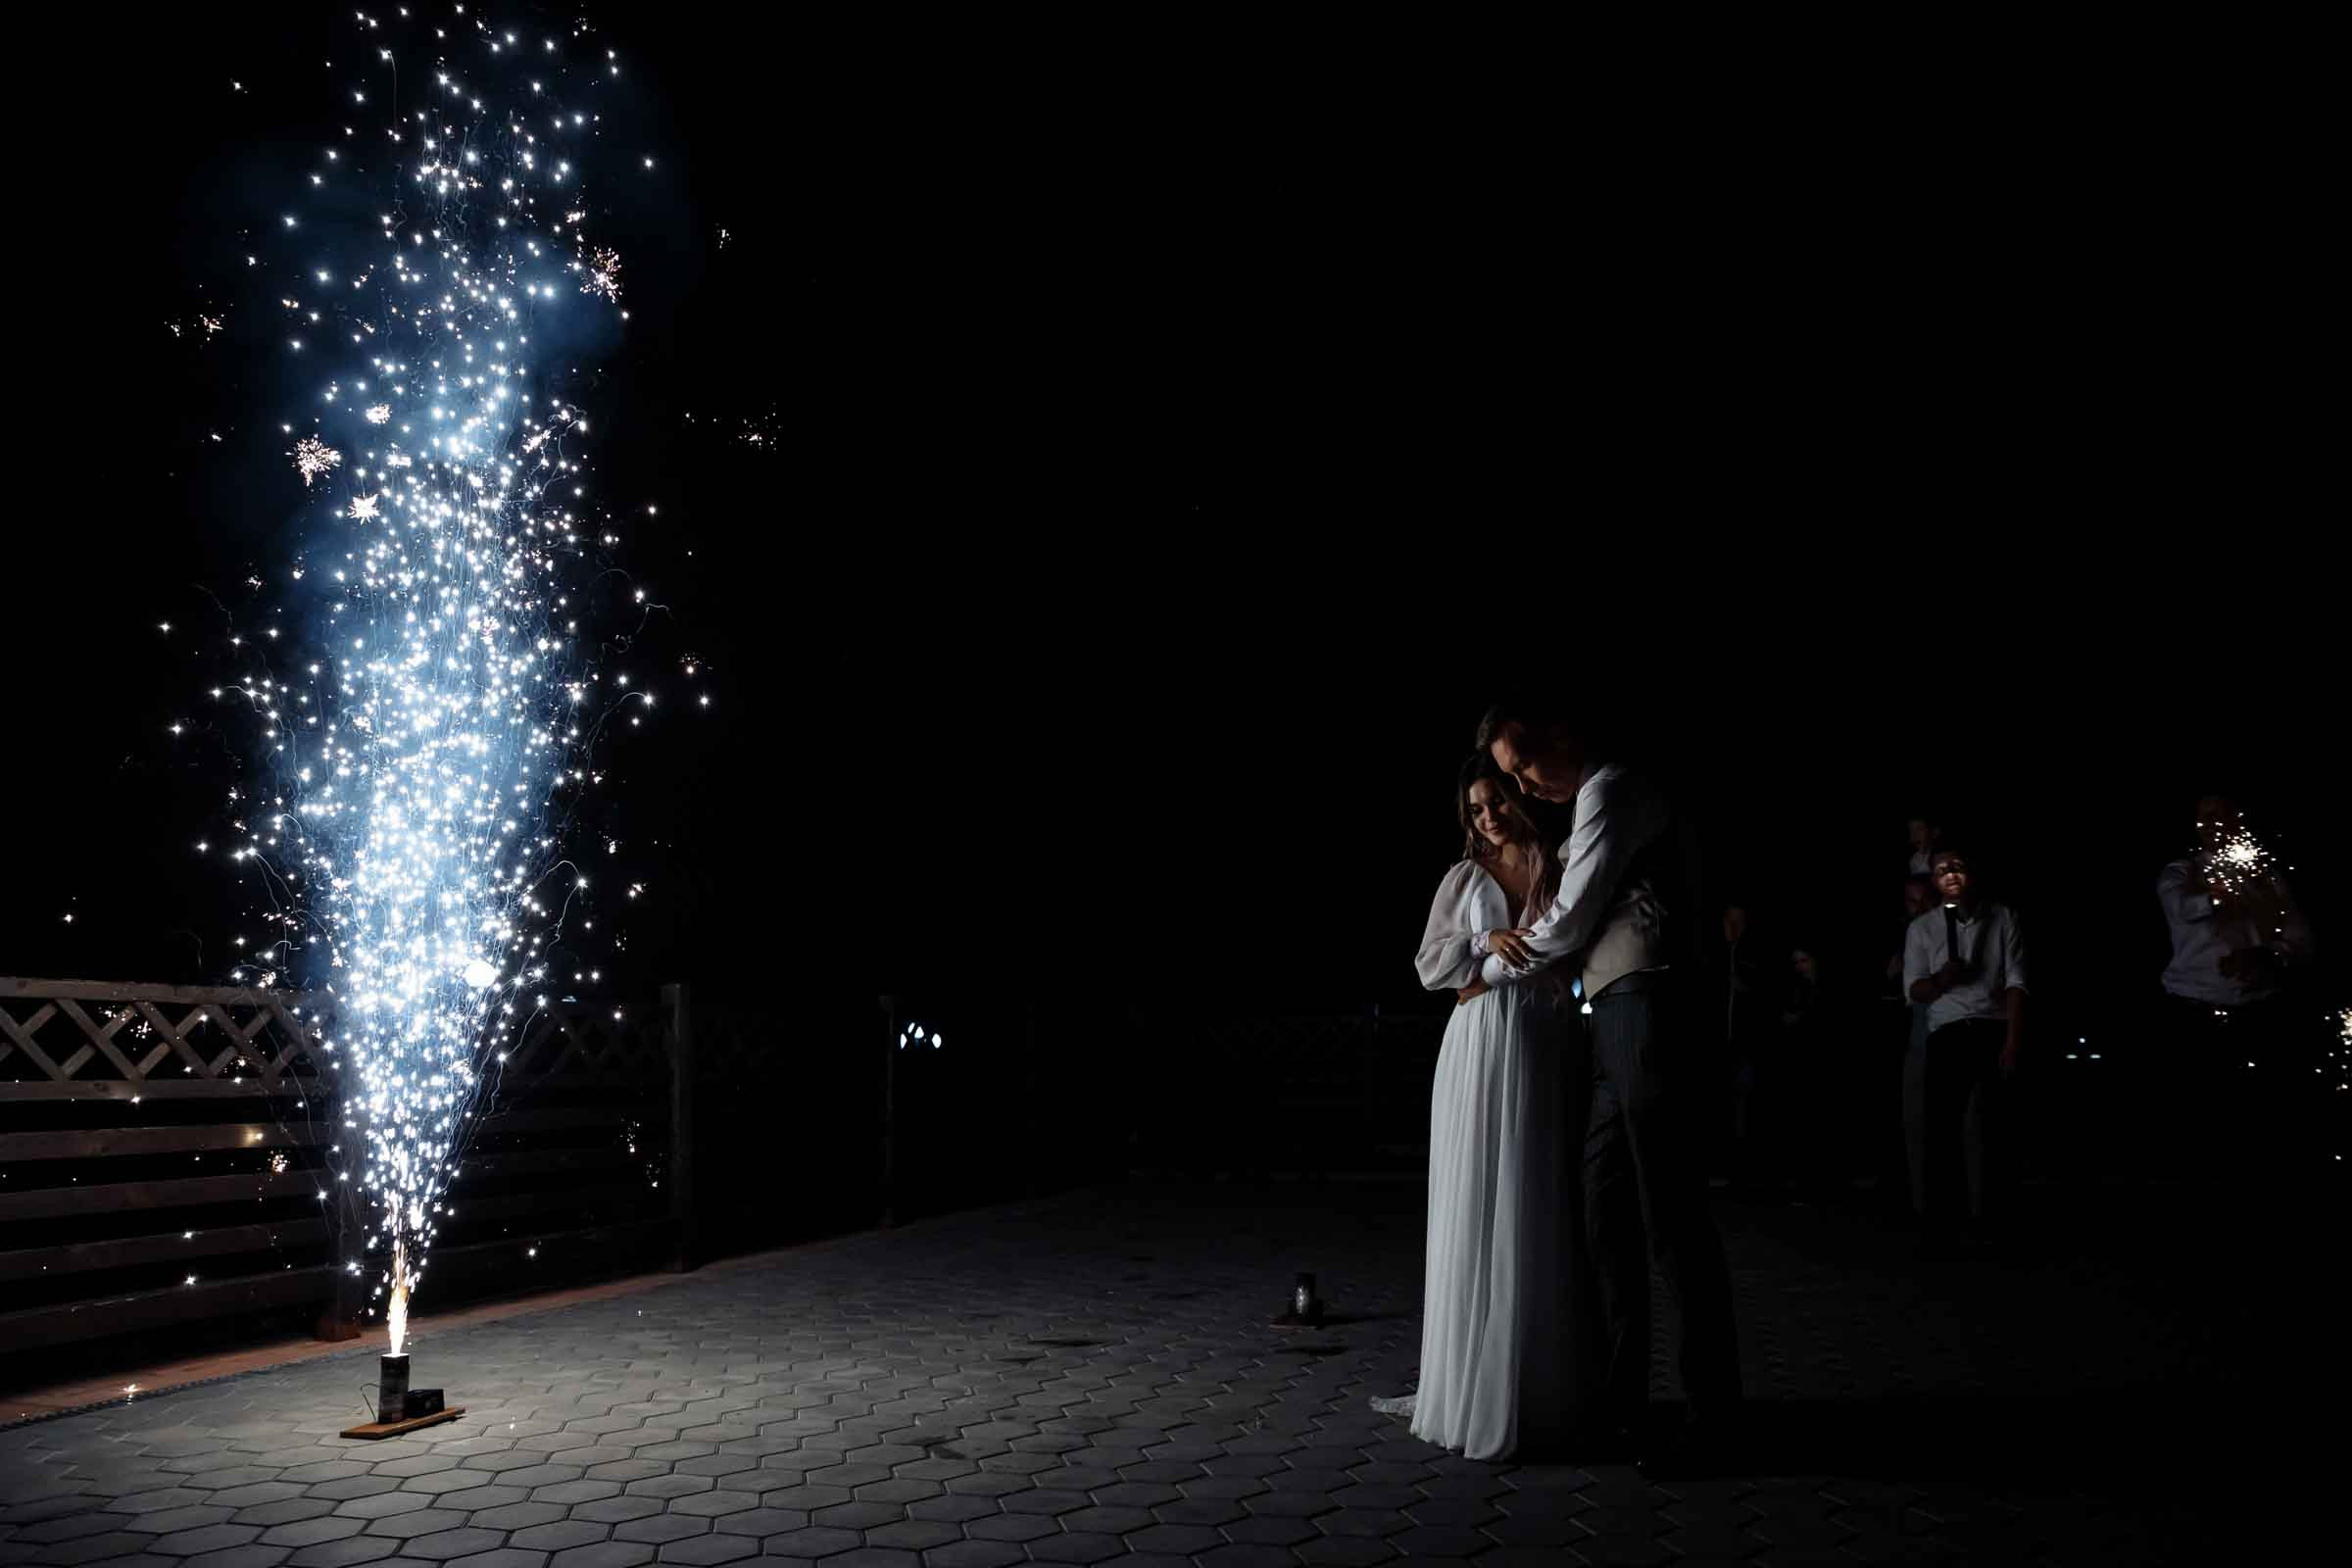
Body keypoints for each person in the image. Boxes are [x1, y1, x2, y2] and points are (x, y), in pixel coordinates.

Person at [1470, 702, 1742, 1475]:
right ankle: (1625, 1406)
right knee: (1604, 1207)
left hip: (1649, 1006)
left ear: (1559, 730)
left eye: (1525, 766)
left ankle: (1712, 1420)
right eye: (1512, 776)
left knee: (1670, 1218)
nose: (1525, 785)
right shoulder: (1586, 797)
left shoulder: (1610, 789)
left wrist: (1483, 971)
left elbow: (1568, 918)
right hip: (1614, 1011)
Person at [1401, 755, 1602, 1459]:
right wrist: (1485, 943)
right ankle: (1474, 1385)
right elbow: (1432, 965)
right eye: (1475, 809)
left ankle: (1540, 1383)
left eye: (1495, 803)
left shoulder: (1557, 862)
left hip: (1546, 1035)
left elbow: (1571, 944)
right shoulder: (1465, 879)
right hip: (1482, 1039)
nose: (1488, 817)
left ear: (1518, 801)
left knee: (1537, 1192)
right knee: (1481, 1191)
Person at [2155, 796, 2317, 1178]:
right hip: (2194, 1012)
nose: (2218, 823)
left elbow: (2301, 938)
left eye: (2226, 814)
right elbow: (2182, 907)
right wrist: (2217, 892)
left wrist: (2267, 955)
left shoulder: (2267, 875)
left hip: (2261, 1012)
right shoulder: (2180, 872)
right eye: (2207, 817)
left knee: (2262, 1124)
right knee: (2202, 1127)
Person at [1902, 846, 2028, 1252]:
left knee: (1995, 1129)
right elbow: (1914, 990)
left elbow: (2016, 981)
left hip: (1990, 1028)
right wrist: (1941, 979)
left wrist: (2012, 1039)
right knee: (1943, 1130)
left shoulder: (2003, 916)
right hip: (1949, 1030)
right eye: (1941, 869)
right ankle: (1943, 1223)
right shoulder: (1922, 929)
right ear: (1933, 879)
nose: (1951, 874)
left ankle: (1993, 1219)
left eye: (1957, 866)